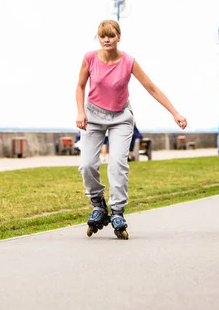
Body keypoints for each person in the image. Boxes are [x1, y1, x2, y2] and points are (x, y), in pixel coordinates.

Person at [76, 19, 187, 239]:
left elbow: (151, 88)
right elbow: (79, 86)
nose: (106, 39)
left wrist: (175, 112)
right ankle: (98, 204)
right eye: (102, 36)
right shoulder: (89, 58)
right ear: (99, 38)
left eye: (111, 35)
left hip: (120, 118)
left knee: (117, 164)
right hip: (93, 117)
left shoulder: (128, 62)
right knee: (87, 164)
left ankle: (117, 211)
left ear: (119, 37)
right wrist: (80, 112)